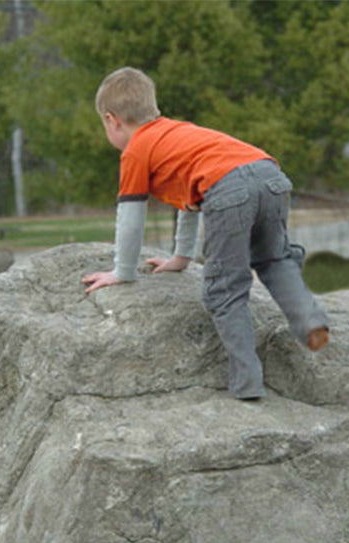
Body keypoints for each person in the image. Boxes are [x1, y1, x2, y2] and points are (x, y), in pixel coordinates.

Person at [82, 67, 329, 400]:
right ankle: (310, 321)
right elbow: (189, 200)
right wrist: (181, 258)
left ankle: (247, 384)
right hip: (270, 174)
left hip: (230, 190)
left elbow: (130, 218)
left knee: (224, 289)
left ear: (112, 120)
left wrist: (121, 272)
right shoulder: (177, 133)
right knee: (273, 258)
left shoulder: (136, 150)